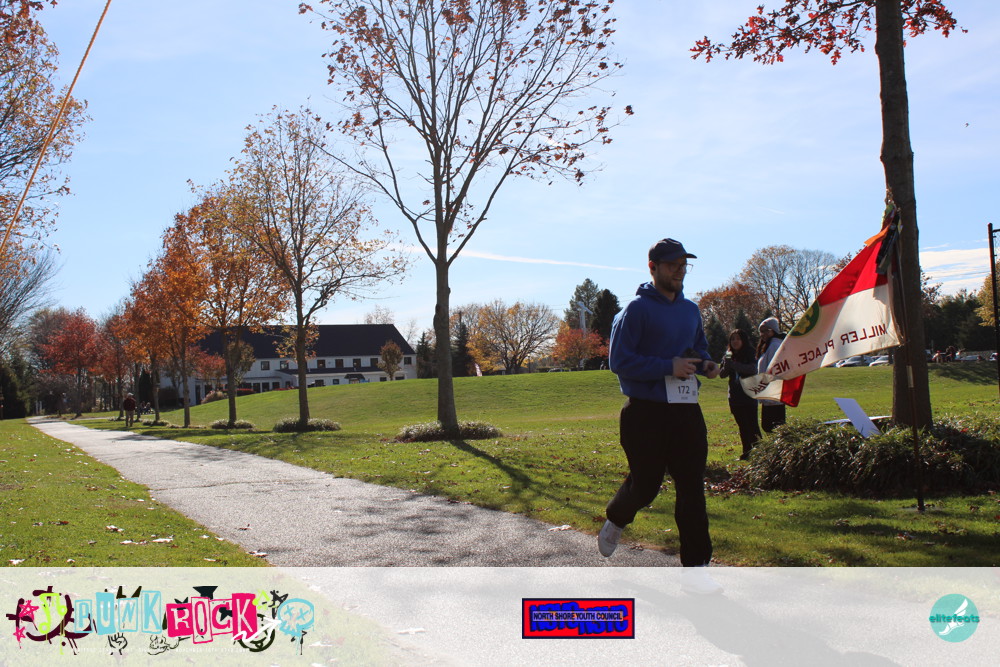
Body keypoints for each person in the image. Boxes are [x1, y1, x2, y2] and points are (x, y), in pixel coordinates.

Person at [599, 238, 723, 595]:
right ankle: (617, 516)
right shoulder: (635, 311)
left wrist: (707, 363)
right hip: (645, 412)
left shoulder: (690, 310)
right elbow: (619, 362)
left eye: (683, 265)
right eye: (672, 265)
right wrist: (668, 366)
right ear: (653, 268)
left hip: (686, 410)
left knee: (692, 489)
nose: (679, 271)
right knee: (646, 485)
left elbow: (697, 348)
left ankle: (697, 572)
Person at [719, 329, 761, 460]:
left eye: (738, 338)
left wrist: (734, 364)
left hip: (748, 394)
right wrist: (727, 363)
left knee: (752, 425)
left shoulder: (750, 352)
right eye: (732, 339)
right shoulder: (728, 355)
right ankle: (746, 452)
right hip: (735, 396)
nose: (735, 341)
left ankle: (759, 452)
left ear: (743, 340)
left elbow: (752, 369)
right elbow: (722, 374)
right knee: (742, 425)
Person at [756, 317, 786, 433]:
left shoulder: (774, 345)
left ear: (773, 330)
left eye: (766, 331)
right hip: (768, 394)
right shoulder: (769, 345)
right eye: (761, 331)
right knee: (768, 426)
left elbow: (775, 370)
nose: (763, 334)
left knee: (773, 426)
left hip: (773, 395)